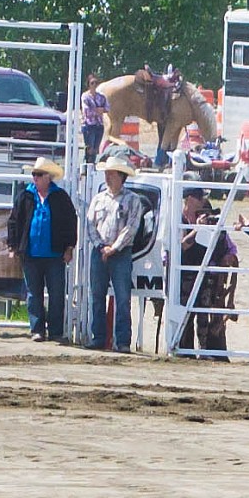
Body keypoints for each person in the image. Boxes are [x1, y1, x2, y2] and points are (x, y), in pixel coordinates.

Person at [5, 156, 77, 342]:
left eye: (39, 174)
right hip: (30, 253)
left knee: (56, 294)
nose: (35, 177)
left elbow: (70, 222)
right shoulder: (25, 196)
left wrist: (69, 247)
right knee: (33, 293)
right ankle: (37, 329)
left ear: (48, 177)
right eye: (34, 174)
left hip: (54, 254)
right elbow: (14, 221)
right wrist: (13, 246)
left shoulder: (60, 197)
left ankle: (55, 331)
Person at [84, 149, 148, 352]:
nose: (108, 176)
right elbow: (90, 225)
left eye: (112, 173)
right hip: (101, 250)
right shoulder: (98, 198)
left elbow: (132, 227)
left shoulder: (133, 200)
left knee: (122, 298)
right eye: (107, 172)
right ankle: (98, 337)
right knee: (97, 295)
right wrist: (101, 246)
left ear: (121, 176)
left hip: (120, 253)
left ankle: (122, 341)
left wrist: (114, 247)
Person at [175, 192, 235, 356]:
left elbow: (230, 250)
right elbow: (182, 246)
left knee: (203, 315)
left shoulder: (212, 225)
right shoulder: (179, 219)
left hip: (205, 275)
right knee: (186, 314)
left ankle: (204, 349)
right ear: (190, 199)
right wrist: (198, 229)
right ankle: (185, 349)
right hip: (186, 274)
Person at [78, 75, 109, 164]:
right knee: (89, 148)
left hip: (99, 125)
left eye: (96, 83)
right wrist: (98, 110)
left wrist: (98, 110)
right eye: (92, 83)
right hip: (89, 126)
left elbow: (107, 108)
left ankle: (92, 166)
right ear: (88, 85)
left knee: (95, 149)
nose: (94, 85)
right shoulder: (85, 96)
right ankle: (86, 166)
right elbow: (86, 111)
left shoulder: (101, 96)